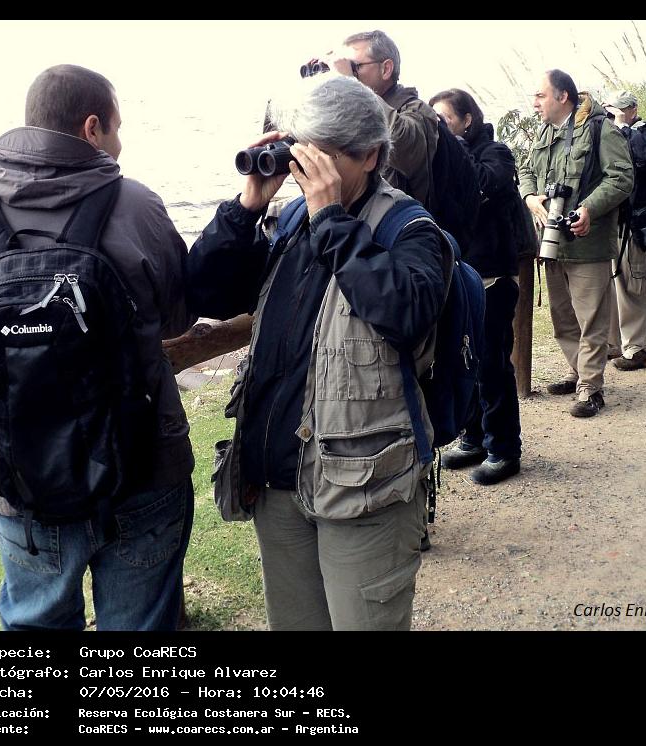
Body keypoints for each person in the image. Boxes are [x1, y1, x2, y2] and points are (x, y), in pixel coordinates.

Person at [186, 74, 451, 631]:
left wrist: (331, 220)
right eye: (300, 149)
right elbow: (206, 294)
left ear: (370, 155)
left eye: (323, 154)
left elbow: (405, 314)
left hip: (364, 489)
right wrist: (247, 206)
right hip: (278, 478)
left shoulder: (410, 230)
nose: (306, 168)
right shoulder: (289, 220)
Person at [0, 64, 195, 631]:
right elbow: (178, 316)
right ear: (92, 127)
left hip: (21, 476)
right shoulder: (136, 204)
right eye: (117, 129)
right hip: (141, 468)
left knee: (35, 629)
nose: (119, 144)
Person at [518, 70, 633, 417]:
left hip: (588, 242)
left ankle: (590, 388)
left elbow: (622, 177)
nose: (535, 103)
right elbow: (526, 170)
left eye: (540, 95)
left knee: (591, 319)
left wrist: (588, 209)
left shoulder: (600, 129)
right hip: (551, 242)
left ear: (562, 96)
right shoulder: (544, 131)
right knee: (563, 318)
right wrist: (530, 198)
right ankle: (578, 370)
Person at [429, 88, 526, 484]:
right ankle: (474, 438)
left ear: (467, 120)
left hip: (493, 277)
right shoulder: (443, 160)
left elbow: (483, 184)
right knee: (463, 360)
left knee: (492, 364)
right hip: (461, 276)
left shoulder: (495, 153)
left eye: (445, 120)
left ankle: (504, 449)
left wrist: (452, 147)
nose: (439, 128)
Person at [328, 30, 438, 208]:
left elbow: (404, 146)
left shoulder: (417, 110)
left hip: (394, 218)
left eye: (354, 67)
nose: (348, 74)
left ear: (386, 69)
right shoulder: (347, 114)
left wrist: (351, 84)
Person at [603, 90, 646, 371]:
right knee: (609, 285)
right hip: (612, 223)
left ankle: (637, 349)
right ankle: (613, 344)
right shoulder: (608, 134)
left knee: (633, 285)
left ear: (632, 109)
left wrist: (622, 126)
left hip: (636, 224)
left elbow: (641, 161)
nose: (611, 116)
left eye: (618, 110)